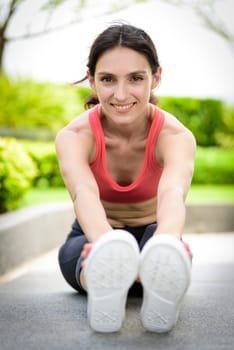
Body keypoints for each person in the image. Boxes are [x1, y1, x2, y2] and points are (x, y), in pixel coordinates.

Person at [56, 23, 196, 333]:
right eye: (107, 79)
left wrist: (167, 241)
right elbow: (83, 193)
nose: (121, 94)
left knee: (163, 256)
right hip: (94, 236)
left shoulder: (175, 136)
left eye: (135, 78)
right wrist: (106, 246)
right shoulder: (74, 136)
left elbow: (173, 193)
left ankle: (159, 274)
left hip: (154, 237)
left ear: (156, 77)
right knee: (82, 257)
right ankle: (101, 280)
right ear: (92, 80)